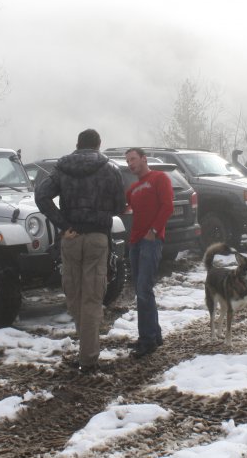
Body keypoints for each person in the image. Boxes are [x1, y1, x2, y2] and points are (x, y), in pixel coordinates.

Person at [35, 129, 125, 374]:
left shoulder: (62, 168)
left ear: (77, 144)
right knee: (92, 297)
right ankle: (88, 358)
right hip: (97, 237)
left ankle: (85, 350)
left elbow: (41, 196)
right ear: (98, 145)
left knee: (74, 294)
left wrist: (63, 225)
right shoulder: (110, 169)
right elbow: (120, 205)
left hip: (71, 237)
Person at [124, 147, 174, 358]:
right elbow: (126, 209)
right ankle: (154, 335)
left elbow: (167, 206)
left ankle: (147, 341)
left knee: (144, 289)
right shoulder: (132, 188)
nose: (130, 164)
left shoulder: (159, 178)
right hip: (135, 242)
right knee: (141, 290)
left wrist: (154, 231)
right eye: (128, 161)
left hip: (151, 241)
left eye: (133, 159)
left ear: (144, 159)